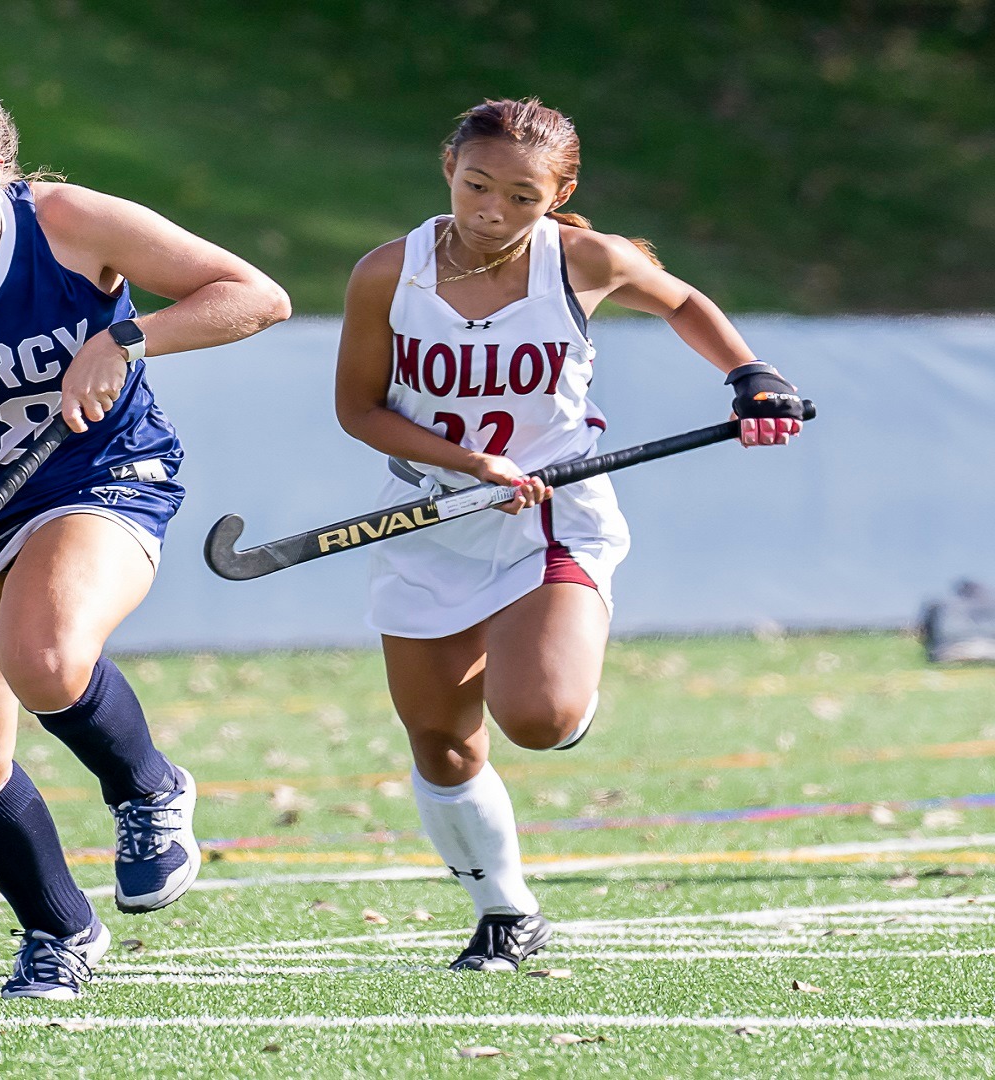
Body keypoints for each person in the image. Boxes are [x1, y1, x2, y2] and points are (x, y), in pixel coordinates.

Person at [0, 61, 289, 999]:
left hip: (97, 474)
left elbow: (254, 297)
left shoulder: (70, 224)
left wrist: (122, 339)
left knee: (43, 654)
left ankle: (148, 788)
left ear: (0, 170)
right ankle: (58, 929)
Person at [333, 98, 806, 973]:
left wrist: (751, 375)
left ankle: (564, 678)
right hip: (433, 520)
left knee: (541, 719)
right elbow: (358, 410)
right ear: (448, 169)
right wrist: (468, 465)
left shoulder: (586, 259)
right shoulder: (386, 273)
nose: (491, 213)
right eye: (477, 186)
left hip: (550, 515)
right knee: (440, 741)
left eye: (520, 197)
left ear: (560, 195)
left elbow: (683, 300)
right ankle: (506, 911)